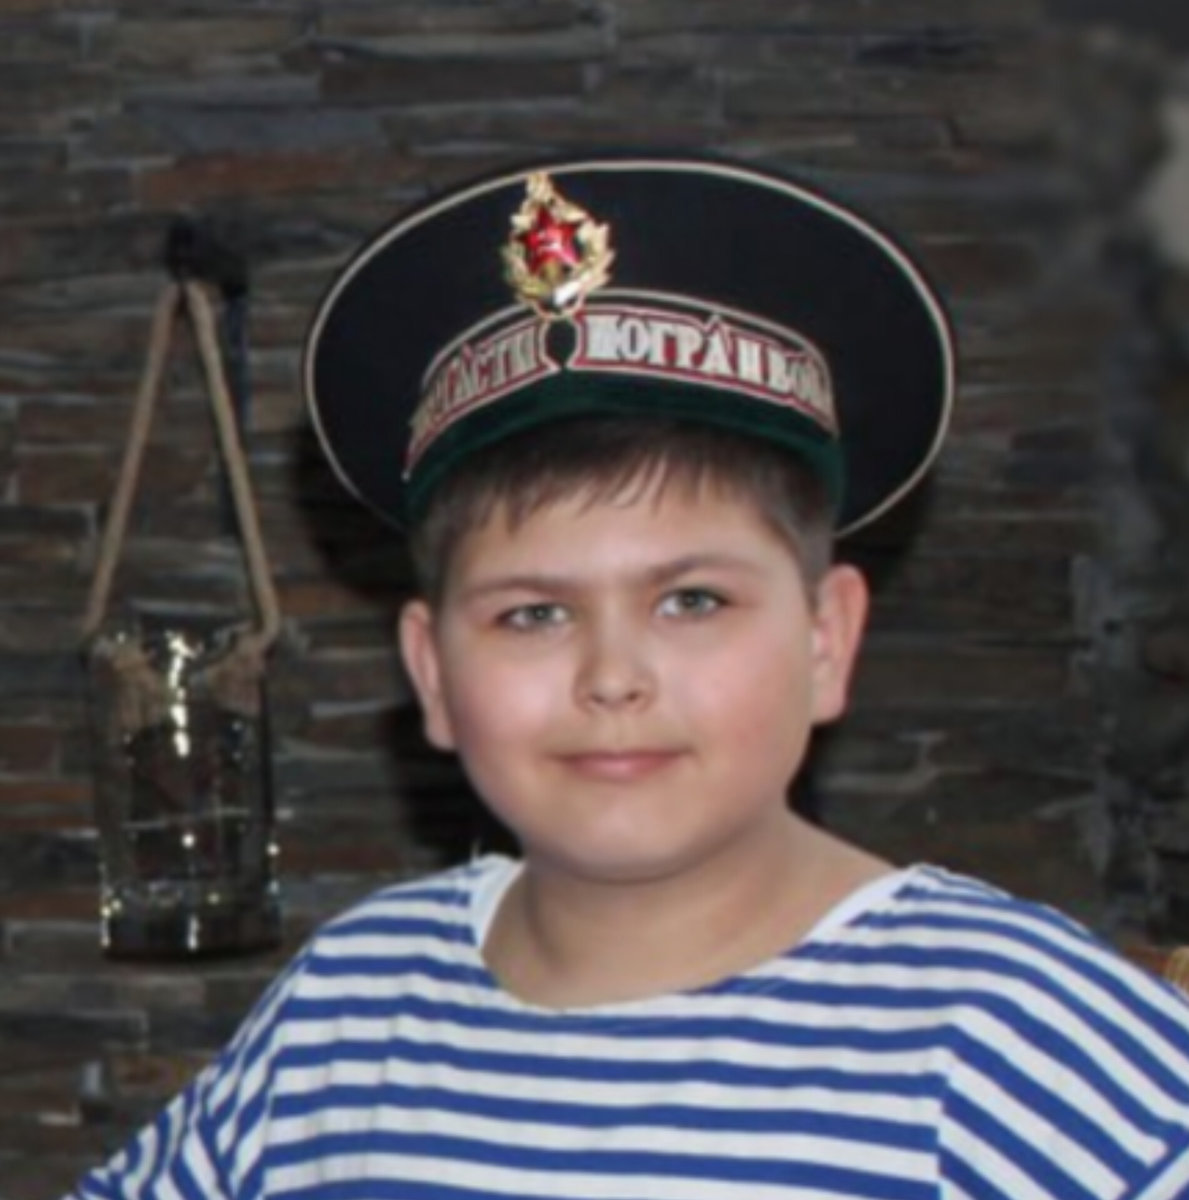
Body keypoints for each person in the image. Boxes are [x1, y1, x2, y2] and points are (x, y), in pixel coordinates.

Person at [69, 155, 1189, 1199]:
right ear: (433, 673)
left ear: (825, 639)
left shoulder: (1012, 1033)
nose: (612, 677)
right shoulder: (345, 1009)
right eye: (533, 613)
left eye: (691, 600)